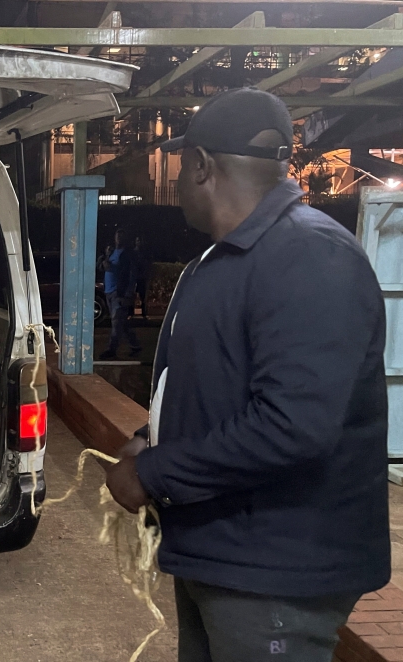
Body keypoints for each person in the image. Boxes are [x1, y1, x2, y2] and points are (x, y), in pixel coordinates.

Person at [105, 88, 390, 662]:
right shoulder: (224, 260)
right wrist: (145, 441)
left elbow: (293, 426)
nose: (180, 181)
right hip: (228, 551)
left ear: (202, 166)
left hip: (276, 569)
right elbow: (211, 386)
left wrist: (155, 473)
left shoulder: (310, 256)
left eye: (182, 166)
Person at [99, 228, 141, 360]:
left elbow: (132, 274)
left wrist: (128, 293)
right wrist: (104, 262)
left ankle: (112, 349)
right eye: (117, 236)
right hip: (109, 291)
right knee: (121, 322)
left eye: (121, 237)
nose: (119, 239)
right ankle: (135, 345)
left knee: (116, 321)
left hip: (119, 292)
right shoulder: (111, 252)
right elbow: (101, 266)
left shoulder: (128, 255)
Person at [133, 236, 150, 320]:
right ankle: (130, 314)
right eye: (137, 240)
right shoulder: (133, 253)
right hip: (135, 277)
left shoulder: (145, 253)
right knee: (132, 296)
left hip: (142, 277)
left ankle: (144, 314)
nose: (139, 242)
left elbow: (147, 264)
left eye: (140, 240)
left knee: (143, 297)